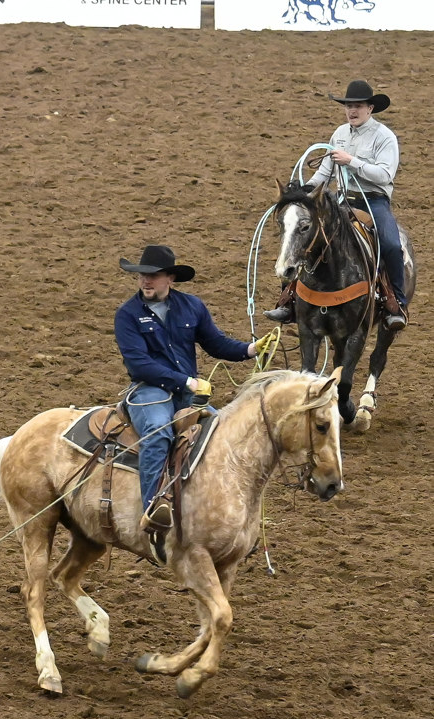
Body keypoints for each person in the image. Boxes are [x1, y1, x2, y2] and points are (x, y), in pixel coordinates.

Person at [116, 245, 266, 534]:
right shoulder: (127, 315)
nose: (146, 281)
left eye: (154, 275)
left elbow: (216, 343)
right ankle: (153, 509)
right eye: (142, 276)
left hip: (187, 394)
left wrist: (250, 349)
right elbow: (139, 365)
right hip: (150, 392)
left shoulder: (192, 306)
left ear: (170, 278)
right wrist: (186, 382)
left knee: (222, 434)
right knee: (158, 432)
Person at [265, 79, 406, 331]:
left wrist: (351, 160)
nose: (352, 111)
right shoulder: (339, 134)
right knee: (306, 237)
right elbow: (324, 175)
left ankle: (395, 303)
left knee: (392, 245)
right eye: (348, 106)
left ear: (370, 108)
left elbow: (385, 175)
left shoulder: (385, 137)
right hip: (340, 201)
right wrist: (303, 194)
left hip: (373, 201)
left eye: (358, 106)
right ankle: (289, 299)